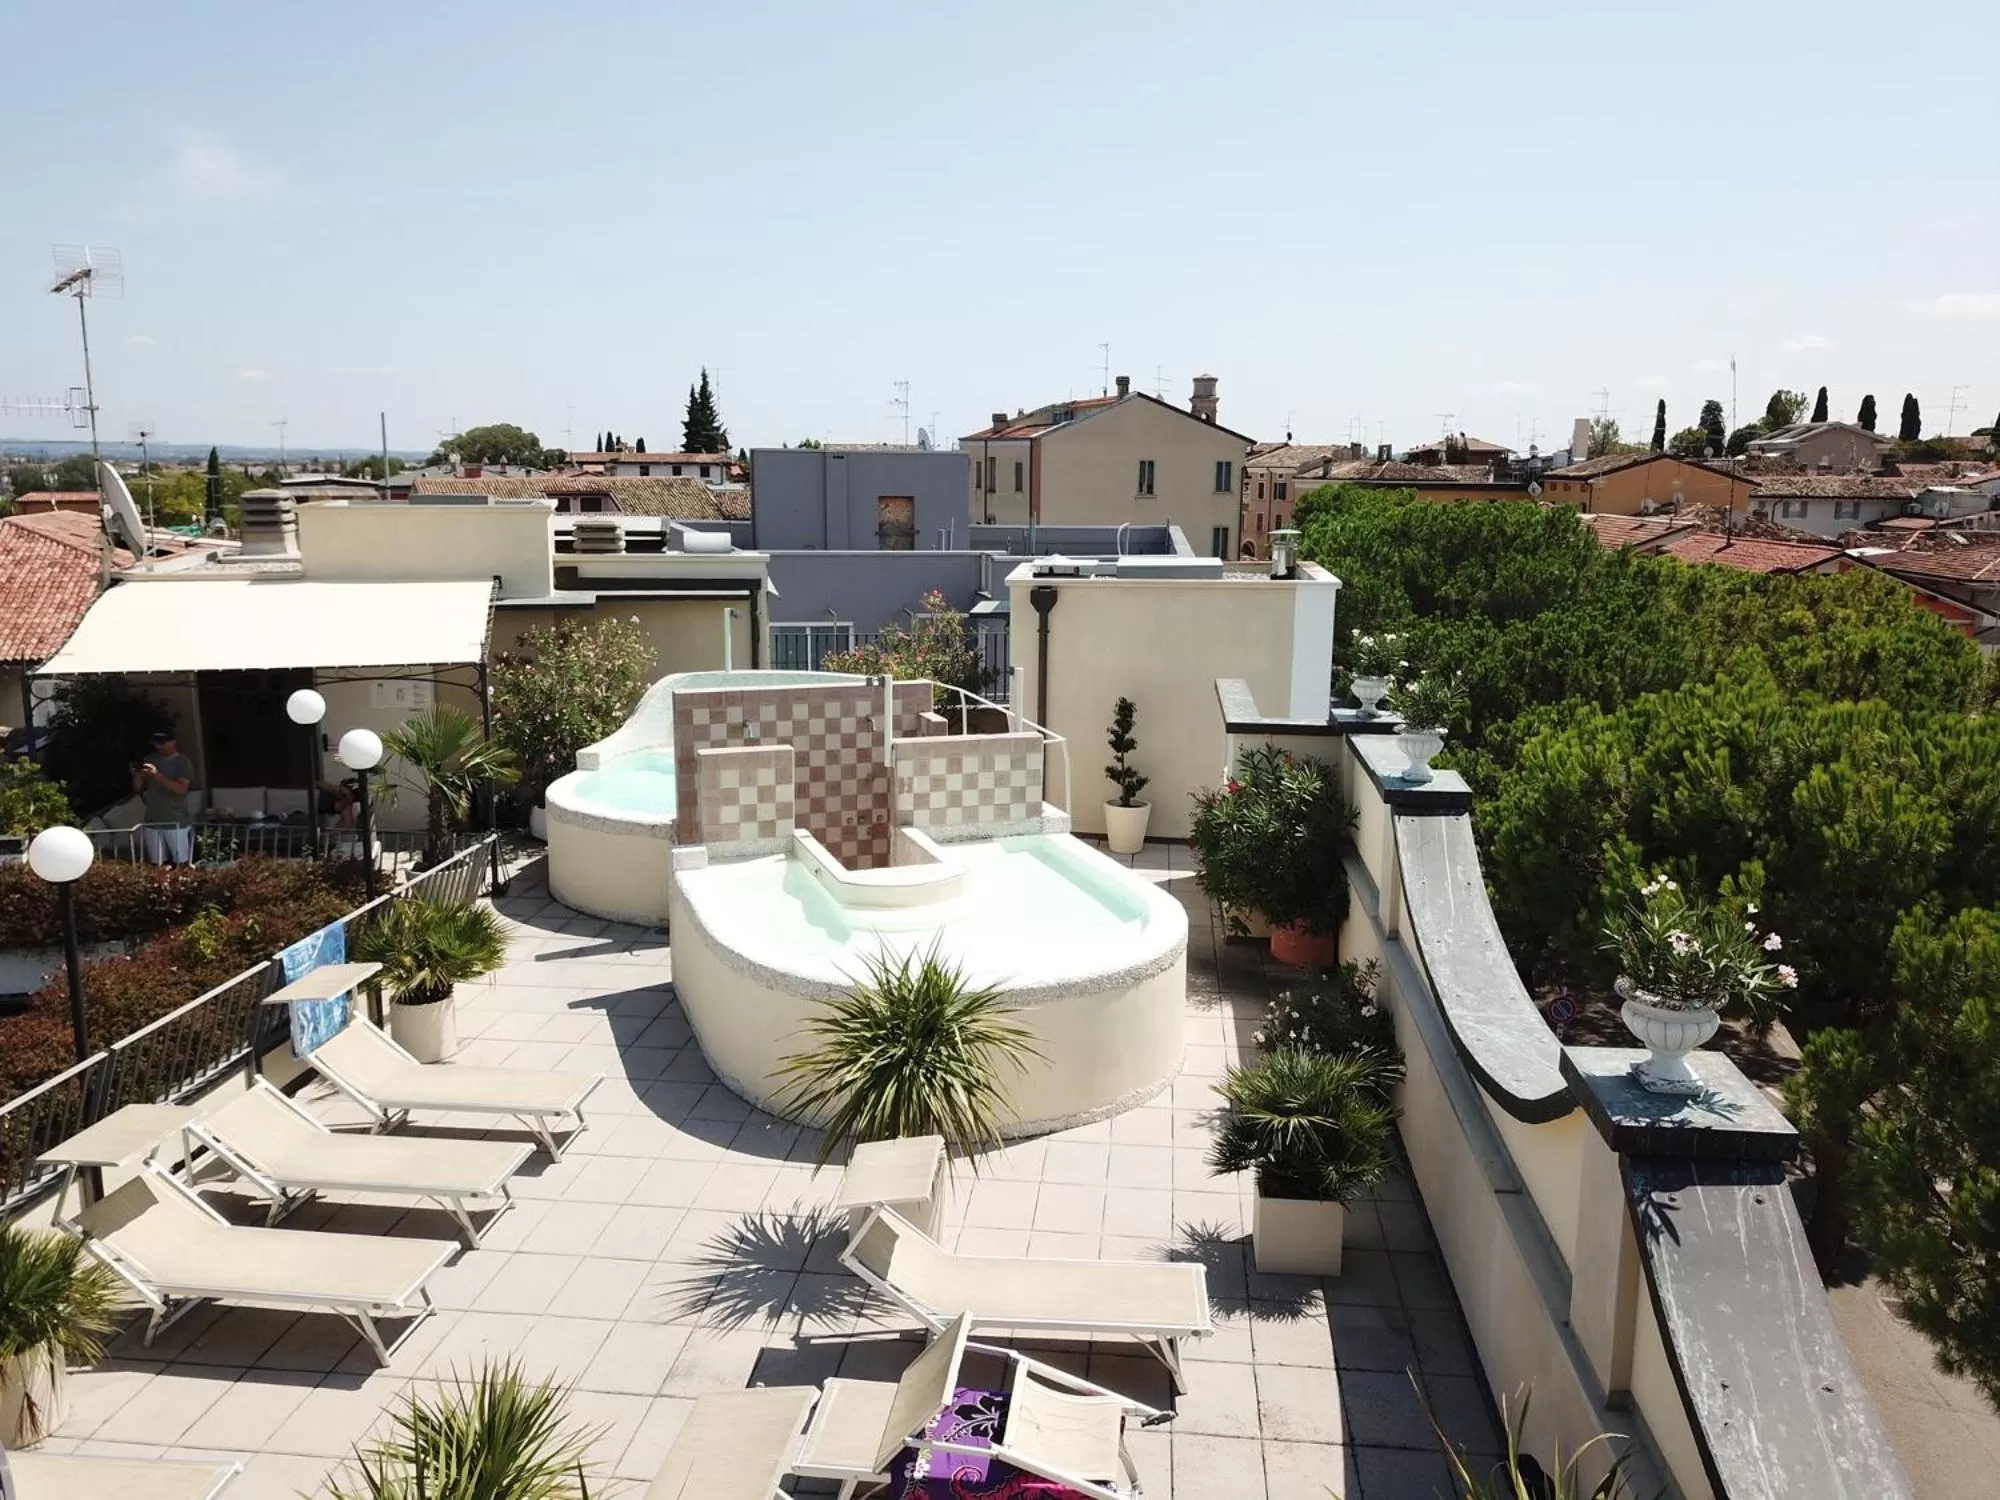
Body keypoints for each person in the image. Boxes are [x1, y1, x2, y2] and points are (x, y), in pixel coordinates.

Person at [133, 729, 195, 865]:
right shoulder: (150, 759)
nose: (158, 746)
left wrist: (157, 775)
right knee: (157, 864)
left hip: (175, 821)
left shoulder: (183, 762)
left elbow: (181, 789)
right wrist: (137, 775)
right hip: (152, 820)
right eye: (156, 743)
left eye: (162, 743)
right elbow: (137, 789)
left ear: (173, 742)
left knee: (181, 863)